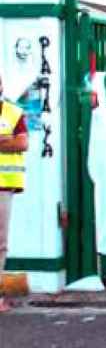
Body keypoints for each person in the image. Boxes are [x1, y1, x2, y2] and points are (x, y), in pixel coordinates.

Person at [0, 74, 29, 314]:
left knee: (0, 243)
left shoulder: (13, 112)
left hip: (3, 186)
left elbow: (22, 143)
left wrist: (10, 141)